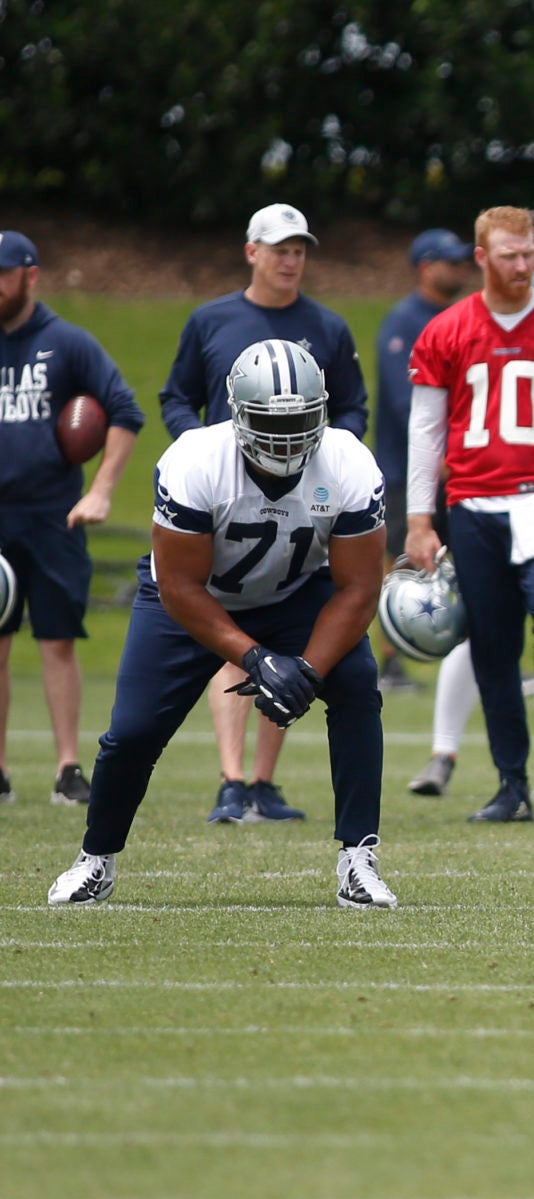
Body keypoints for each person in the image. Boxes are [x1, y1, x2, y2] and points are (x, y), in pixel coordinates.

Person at [49, 341, 392, 907]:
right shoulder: (196, 461)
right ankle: (96, 857)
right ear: (236, 415)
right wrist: (255, 658)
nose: (285, 437)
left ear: (323, 412)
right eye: (268, 422)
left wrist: (307, 669)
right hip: (190, 599)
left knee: (355, 686)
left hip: (294, 591)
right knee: (132, 731)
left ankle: (360, 856)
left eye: (300, 420)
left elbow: (358, 587)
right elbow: (180, 586)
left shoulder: (349, 463)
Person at [400, 207, 534, 822]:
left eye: (530, 254)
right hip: (474, 503)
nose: (524, 266)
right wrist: (420, 519)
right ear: (481, 257)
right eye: (511, 255)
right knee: (491, 644)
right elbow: (425, 427)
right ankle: (511, 782)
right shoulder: (446, 330)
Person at [160, 204, 367, 826]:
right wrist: (194, 449)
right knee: (229, 622)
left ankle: (264, 781)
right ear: (251, 251)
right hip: (225, 498)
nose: (290, 258)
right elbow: (178, 395)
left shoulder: (327, 326)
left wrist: (325, 459)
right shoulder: (212, 319)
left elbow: (352, 410)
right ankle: (230, 778)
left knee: (290, 635)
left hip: (302, 500)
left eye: (299, 247)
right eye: (279, 247)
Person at [0, 230, 145, 807]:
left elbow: (124, 411)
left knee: (58, 639)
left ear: (30, 276)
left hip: (52, 517)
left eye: (3, 274)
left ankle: (67, 768)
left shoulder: (67, 343)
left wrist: (102, 491)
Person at [371, 229, 475, 693]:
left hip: (457, 465)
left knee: (470, 560)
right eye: (448, 262)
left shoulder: (462, 318)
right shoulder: (404, 322)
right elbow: (406, 401)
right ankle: (391, 660)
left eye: (460, 261)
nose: (459, 269)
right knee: (400, 559)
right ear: (424, 267)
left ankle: (475, 654)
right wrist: (440, 458)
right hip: (404, 469)